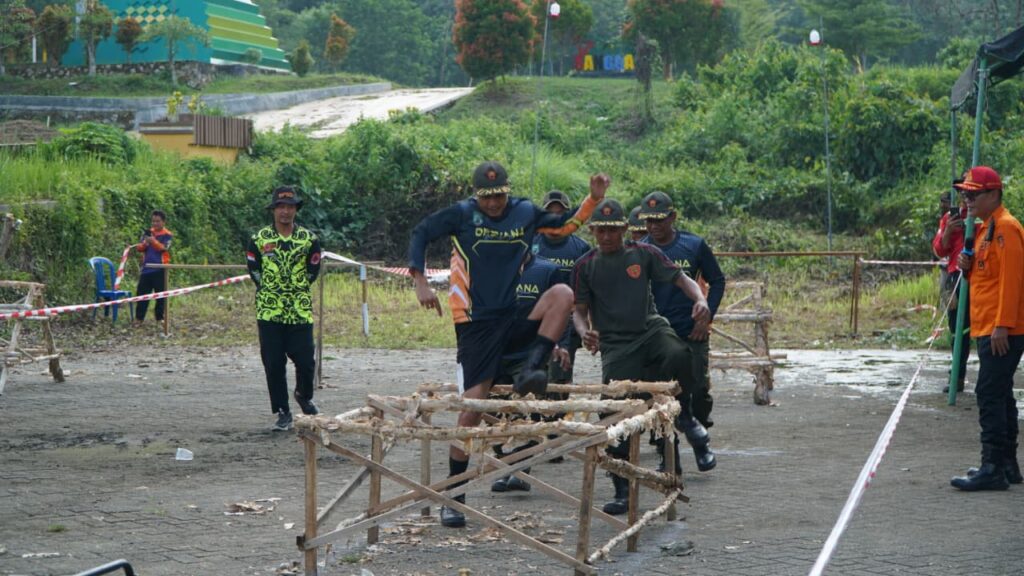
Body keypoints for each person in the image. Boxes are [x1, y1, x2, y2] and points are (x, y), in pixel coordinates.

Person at [408, 161, 609, 527]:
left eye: (500, 195)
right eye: (487, 198)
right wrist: (420, 280)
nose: (495, 204)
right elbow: (421, 232)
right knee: (471, 408)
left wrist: (592, 200)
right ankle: (454, 496)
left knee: (562, 293)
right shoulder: (462, 214)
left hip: (512, 315)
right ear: (476, 196)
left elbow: (563, 227)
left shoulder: (524, 211)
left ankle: (533, 366)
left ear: (508, 191)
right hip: (475, 323)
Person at [572, 198, 710, 515]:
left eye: (614, 230)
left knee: (679, 353)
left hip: (650, 329)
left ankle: (685, 414)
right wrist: (584, 332)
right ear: (593, 230)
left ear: (624, 230)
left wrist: (700, 299)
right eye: (601, 230)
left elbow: (682, 279)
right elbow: (578, 312)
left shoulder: (643, 253)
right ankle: (621, 487)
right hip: (616, 344)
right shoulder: (585, 265)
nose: (607, 237)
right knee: (613, 413)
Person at [949, 166, 1024, 491]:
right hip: (987, 326)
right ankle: (1006, 464)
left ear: (993, 194)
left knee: (989, 394)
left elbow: (1012, 280)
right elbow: (986, 277)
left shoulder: (1006, 228)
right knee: (1001, 393)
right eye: (964, 194)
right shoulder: (986, 230)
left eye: (973, 194)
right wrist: (966, 269)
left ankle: (992, 467)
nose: (967, 200)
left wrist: (1003, 325)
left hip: (1001, 329)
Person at [639, 191, 724, 472]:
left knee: (697, 391)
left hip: (692, 332)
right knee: (663, 397)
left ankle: (700, 440)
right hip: (657, 336)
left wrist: (706, 315)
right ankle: (668, 456)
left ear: (672, 217)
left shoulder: (693, 245)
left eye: (660, 220)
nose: (654, 226)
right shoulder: (638, 250)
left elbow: (717, 279)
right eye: (649, 221)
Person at [490, 252, 569, 493]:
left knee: (529, 410)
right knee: (497, 412)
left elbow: (562, 310)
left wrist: (561, 343)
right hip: (497, 352)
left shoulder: (547, 270)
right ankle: (506, 466)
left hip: (530, 354)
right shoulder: (490, 267)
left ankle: (523, 471)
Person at [246, 186, 323, 432]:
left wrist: (296, 289)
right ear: (274, 210)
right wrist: (270, 290)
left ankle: (303, 394)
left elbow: (313, 270)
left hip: (299, 311)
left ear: (296, 210)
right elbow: (253, 269)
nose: (285, 212)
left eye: (290, 207)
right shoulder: (259, 240)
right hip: (269, 312)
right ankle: (282, 411)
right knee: (273, 363)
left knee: (306, 360)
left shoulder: (309, 240)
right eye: (281, 207)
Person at [534, 189, 592, 387]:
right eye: (551, 213)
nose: (555, 217)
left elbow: (588, 286)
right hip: (538, 319)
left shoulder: (581, 248)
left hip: (568, 321)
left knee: (561, 375)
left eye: (560, 213)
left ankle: (560, 413)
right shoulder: (531, 243)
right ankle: (536, 416)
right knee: (537, 372)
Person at [932, 190, 970, 394]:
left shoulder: (986, 217)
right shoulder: (948, 218)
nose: (966, 198)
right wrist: (948, 231)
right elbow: (939, 250)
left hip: (982, 279)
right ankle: (957, 377)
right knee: (958, 331)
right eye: (963, 194)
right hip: (956, 279)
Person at [134, 210, 173, 324]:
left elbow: (164, 248)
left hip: (160, 268)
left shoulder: (167, 235)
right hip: (146, 268)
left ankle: (159, 318)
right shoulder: (147, 232)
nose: (155, 224)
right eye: (153, 221)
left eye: (158, 221)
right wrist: (146, 243)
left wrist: (153, 241)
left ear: (163, 222)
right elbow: (139, 248)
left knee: (160, 295)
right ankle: (139, 319)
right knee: (142, 294)